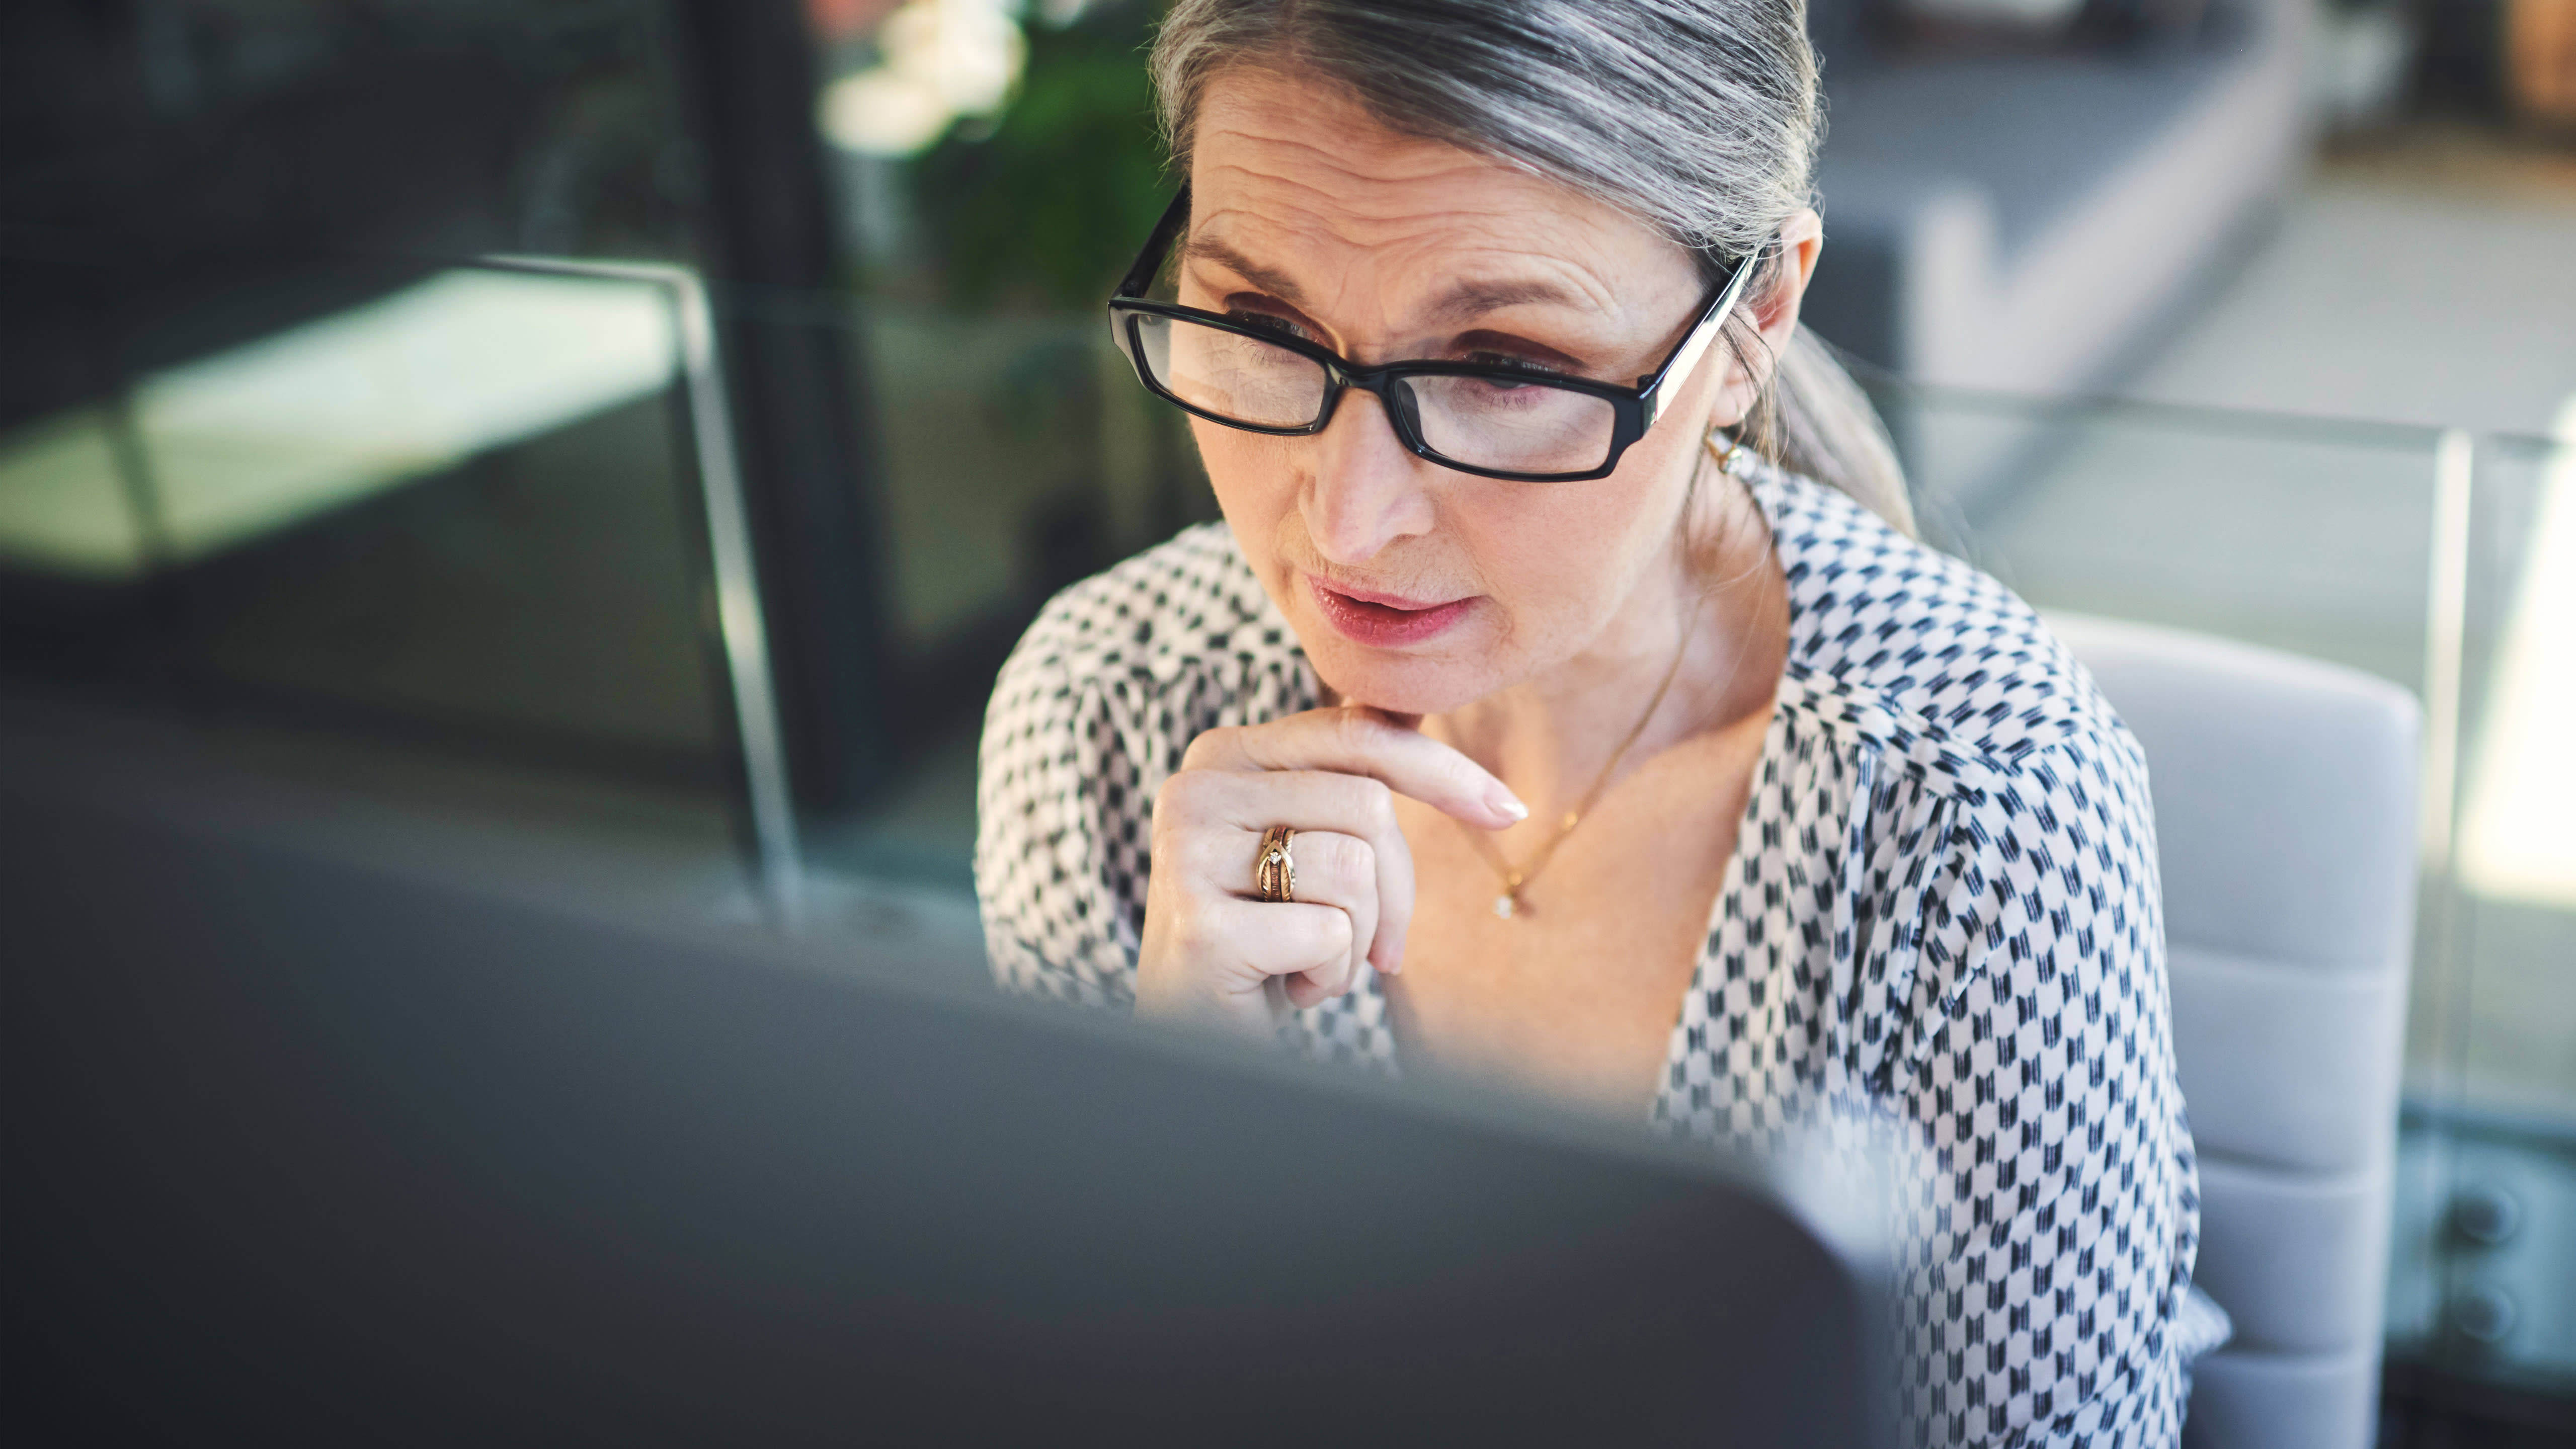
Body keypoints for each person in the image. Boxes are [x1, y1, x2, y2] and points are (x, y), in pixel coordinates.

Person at [975, 2, 2203, 1442]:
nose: (1347, 521)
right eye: (1260, 323)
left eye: (1501, 367)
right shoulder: (1109, 715)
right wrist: (1177, 1123)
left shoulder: (1973, 812)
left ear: (1753, 324)